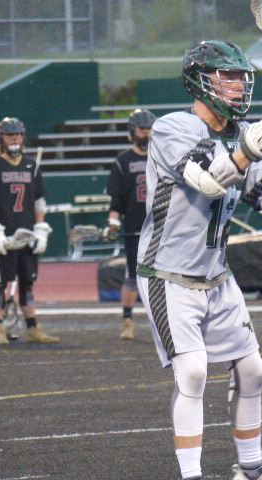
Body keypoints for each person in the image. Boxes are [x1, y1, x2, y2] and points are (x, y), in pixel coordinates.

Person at [135, 41, 262, 480]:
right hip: (168, 273)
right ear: (199, 80)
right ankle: (192, 476)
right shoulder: (173, 128)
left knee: (253, 370)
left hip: (216, 274)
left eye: (241, 77)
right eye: (227, 76)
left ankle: (251, 469)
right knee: (192, 373)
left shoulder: (241, 132)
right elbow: (208, 180)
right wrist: (249, 150)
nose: (238, 85)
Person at [0, 116, 59, 345]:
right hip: (5, 235)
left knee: (27, 282)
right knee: (0, 283)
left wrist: (41, 229)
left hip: (27, 234)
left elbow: (39, 202)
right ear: (1, 139)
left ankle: (32, 328)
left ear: (23, 137)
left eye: (18, 135)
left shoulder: (32, 166)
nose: (14, 139)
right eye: (10, 136)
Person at [102, 108, 156, 340]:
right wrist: (113, 223)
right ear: (133, 131)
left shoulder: (163, 156)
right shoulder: (123, 161)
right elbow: (116, 199)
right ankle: (127, 320)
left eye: (149, 129)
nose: (146, 134)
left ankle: (166, 320)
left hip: (162, 226)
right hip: (135, 227)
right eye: (142, 130)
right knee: (133, 275)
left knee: (165, 276)